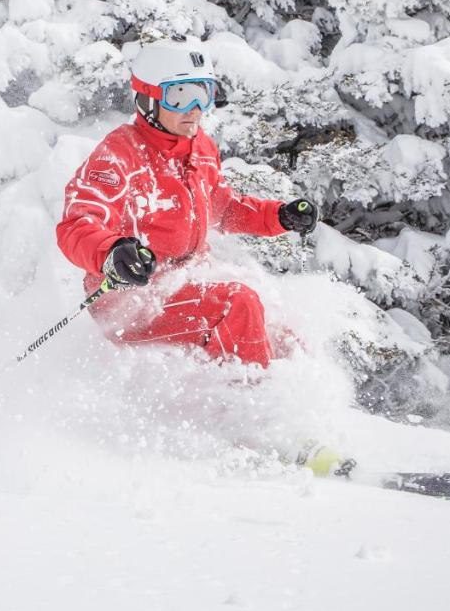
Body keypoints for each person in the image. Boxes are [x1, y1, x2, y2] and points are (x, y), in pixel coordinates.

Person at [55, 41, 319, 368]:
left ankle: (299, 401)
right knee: (238, 304)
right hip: (132, 299)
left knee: (280, 331)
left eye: (203, 93)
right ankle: (250, 403)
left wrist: (279, 217)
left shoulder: (200, 148)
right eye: (180, 95)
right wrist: (112, 252)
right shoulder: (118, 157)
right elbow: (77, 225)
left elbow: (224, 208)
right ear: (149, 98)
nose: (194, 108)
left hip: (186, 281)